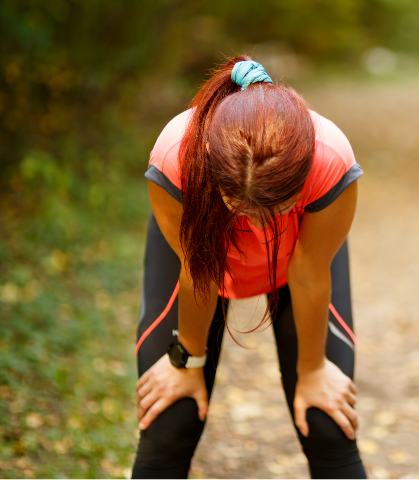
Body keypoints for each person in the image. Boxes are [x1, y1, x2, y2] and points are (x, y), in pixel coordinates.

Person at [132, 55, 367, 478]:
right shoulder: (176, 157)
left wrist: (312, 371)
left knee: (327, 423)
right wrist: (188, 363)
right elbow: (197, 271)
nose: (257, 224)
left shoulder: (330, 157)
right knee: (171, 419)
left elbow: (310, 273)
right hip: (198, 265)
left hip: (301, 266)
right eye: (239, 206)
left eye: (276, 208)